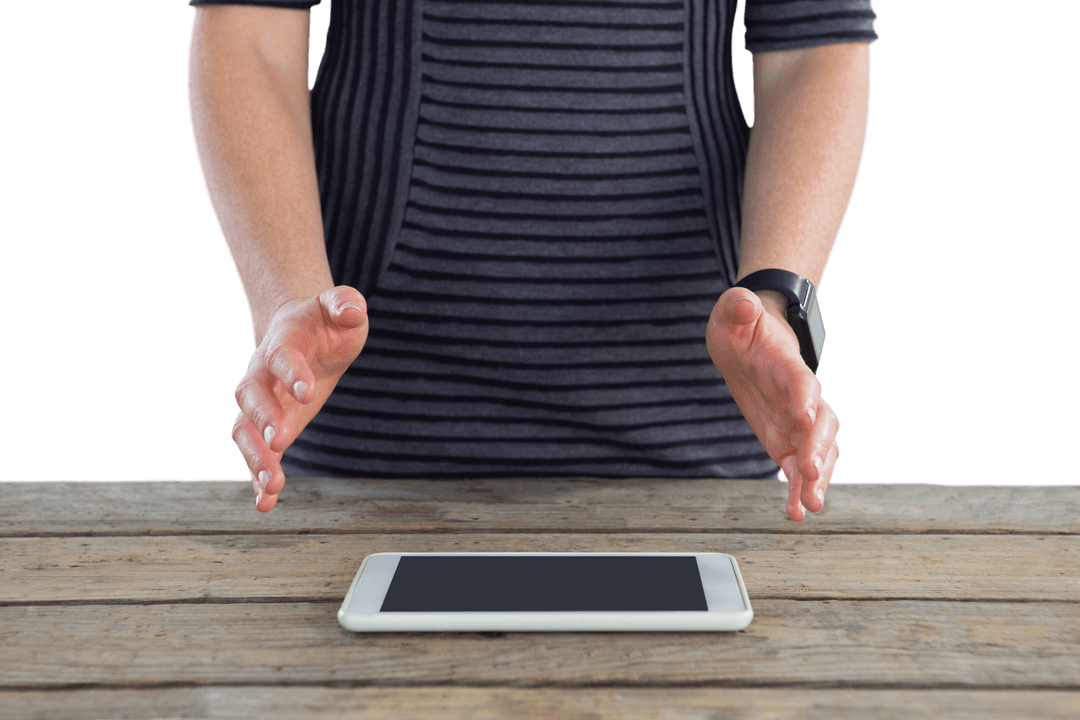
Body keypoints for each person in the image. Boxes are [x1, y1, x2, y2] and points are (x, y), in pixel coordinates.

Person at [185, 0, 878, 521]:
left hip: (693, 428)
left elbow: (814, 43)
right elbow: (250, 30)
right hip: (366, 427)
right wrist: (288, 301)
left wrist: (776, 302)